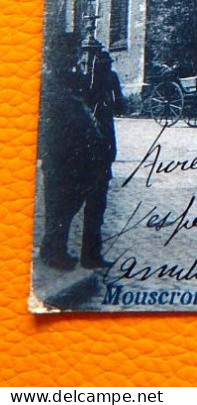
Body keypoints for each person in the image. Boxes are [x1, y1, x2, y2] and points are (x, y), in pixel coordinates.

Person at [37, 37, 110, 271]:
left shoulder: (73, 79)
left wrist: (99, 75)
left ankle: (80, 252)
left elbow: (93, 99)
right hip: (62, 156)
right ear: (55, 56)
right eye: (70, 54)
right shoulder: (48, 83)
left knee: (84, 204)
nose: (75, 58)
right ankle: (52, 251)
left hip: (87, 156)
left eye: (76, 53)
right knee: (60, 205)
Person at [82, 49, 123, 268]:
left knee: (93, 208)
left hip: (93, 157)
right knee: (95, 207)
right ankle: (89, 255)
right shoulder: (101, 84)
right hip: (97, 157)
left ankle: (90, 254)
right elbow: (121, 105)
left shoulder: (89, 82)